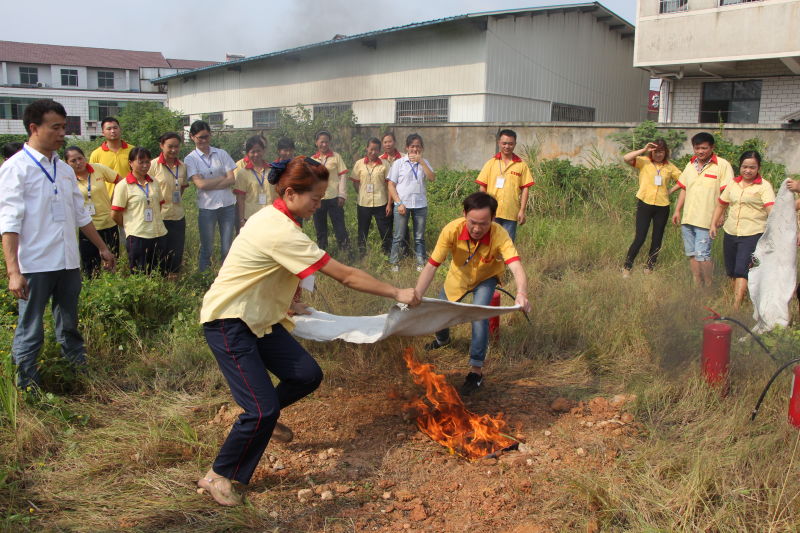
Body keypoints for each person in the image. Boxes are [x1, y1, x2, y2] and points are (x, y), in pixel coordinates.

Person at [197, 156, 419, 506]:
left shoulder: (282, 221)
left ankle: (262, 426)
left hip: (261, 318)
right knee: (260, 410)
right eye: (315, 198)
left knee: (306, 375)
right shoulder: (277, 227)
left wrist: (290, 303)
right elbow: (344, 275)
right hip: (230, 321)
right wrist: (396, 292)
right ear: (290, 192)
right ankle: (219, 475)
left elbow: (269, 272)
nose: (319, 205)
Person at [0, 99, 115, 388]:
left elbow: (79, 214)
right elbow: (9, 223)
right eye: (56, 127)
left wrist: (102, 246)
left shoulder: (64, 169)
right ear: (34, 128)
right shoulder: (16, 169)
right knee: (31, 328)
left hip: (67, 261)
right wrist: (14, 271)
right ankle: (27, 387)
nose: (62, 133)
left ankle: (77, 374)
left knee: (69, 324)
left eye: (64, 127)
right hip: (36, 265)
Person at [415, 192, 530, 395]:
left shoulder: (500, 234)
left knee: (479, 317)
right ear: (464, 214)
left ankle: (476, 371)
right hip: (458, 277)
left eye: (483, 224)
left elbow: (516, 266)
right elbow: (432, 266)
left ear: (493, 219)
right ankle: (442, 340)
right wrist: (416, 295)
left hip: (486, 278)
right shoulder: (451, 230)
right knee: (442, 311)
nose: (477, 229)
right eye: (472, 222)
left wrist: (521, 293)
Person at [710, 151, 775, 309]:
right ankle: (737, 297)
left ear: (758, 168)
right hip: (731, 231)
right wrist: (713, 224)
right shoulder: (733, 183)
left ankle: (736, 305)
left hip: (753, 233)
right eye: (745, 167)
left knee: (742, 268)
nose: (748, 170)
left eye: (752, 167)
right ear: (740, 166)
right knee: (731, 268)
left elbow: (771, 210)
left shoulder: (764, 186)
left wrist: (776, 230)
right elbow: (721, 204)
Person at [671, 132, 734, 286]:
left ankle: (709, 284)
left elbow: (727, 193)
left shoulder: (722, 165)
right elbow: (685, 188)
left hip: (707, 220)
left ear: (712, 147)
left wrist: (721, 215)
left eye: (704, 148)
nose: (700, 151)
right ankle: (697, 283)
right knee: (692, 254)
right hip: (688, 219)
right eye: (697, 148)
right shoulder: (690, 164)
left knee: (703, 255)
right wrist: (677, 210)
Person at [621, 139, 682, 277]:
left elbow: (683, 180)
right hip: (645, 203)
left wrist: (671, 190)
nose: (658, 154)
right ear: (651, 152)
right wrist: (644, 149)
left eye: (661, 151)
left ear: (665, 152)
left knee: (657, 238)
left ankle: (649, 267)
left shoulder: (670, 167)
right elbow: (626, 158)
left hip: (662, 205)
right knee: (640, 237)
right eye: (655, 151)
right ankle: (627, 267)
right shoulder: (644, 161)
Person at [184, 121, 237, 272]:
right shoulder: (190, 159)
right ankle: (204, 279)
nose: (204, 140)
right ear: (192, 137)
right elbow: (200, 185)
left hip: (227, 206)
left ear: (210, 135)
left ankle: (226, 279)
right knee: (207, 248)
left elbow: (232, 179)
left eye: (206, 136)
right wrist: (222, 179)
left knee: (227, 247)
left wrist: (209, 182)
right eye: (200, 137)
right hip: (207, 208)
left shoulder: (221, 153)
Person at [64, 146, 121, 277]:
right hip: (87, 227)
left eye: (80, 158)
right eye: (73, 161)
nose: (78, 162)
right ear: (67, 163)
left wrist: (115, 202)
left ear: (85, 158)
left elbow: (120, 181)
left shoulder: (98, 168)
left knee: (112, 263)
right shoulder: (66, 178)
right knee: (90, 267)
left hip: (109, 223)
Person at [111, 148, 167, 274]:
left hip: (158, 233)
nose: (145, 165)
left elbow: (159, 205)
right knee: (139, 273)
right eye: (140, 162)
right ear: (131, 163)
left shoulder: (154, 182)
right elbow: (115, 214)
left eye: (147, 162)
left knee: (159, 272)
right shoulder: (123, 185)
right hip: (138, 236)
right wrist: (129, 225)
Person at [475, 129, 534, 242]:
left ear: (515, 144)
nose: (507, 146)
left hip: (511, 213)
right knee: (488, 244)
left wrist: (522, 210)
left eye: (510, 144)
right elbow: (482, 187)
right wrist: (483, 207)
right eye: (504, 143)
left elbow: (526, 188)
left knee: (507, 245)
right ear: (499, 143)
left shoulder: (521, 165)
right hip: (491, 213)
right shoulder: (490, 163)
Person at [388, 133, 435, 271]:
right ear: (407, 147)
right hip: (403, 205)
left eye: (418, 146)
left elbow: (432, 178)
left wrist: (421, 162)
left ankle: (420, 263)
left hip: (420, 205)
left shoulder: (424, 162)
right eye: (412, 146)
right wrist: (398, 203)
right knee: (398, 236)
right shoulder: (399, 163)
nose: (415, 149)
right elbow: (391, 184)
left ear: (422, 148)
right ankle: (394, 263)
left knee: (419, 237)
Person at [150, 132, 189, 276]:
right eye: (170, 146)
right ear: (161, 146)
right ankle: (159, 283)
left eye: (176, 146)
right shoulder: (153, 165)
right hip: (160, 217)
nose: (173, 150)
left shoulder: (183, 166)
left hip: (178, 216)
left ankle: (173, 283)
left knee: (176, 253)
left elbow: (182, 188)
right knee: (159, 253)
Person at [351, 137, 392, 257]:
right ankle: (362, 254)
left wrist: (389, 204)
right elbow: (355, 182)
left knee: (385, 231)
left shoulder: (385, 164)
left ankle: (387, 254)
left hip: (381, 203)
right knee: (362, 231)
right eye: (371, 149)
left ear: (379, 150)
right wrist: (362, 194)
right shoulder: (359, 163)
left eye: (376, 150)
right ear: (367, 148)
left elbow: (390, 184)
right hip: (363, 203)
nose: (373, 152)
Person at [310, 130, 350, 254]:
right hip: (318, 199)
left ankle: (346, 252)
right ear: (316, 142)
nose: (324, 144)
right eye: (321, 142)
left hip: (334, 198)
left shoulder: (336, 157)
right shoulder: (312, 159)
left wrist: (342, 194)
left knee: (340, 227)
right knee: (320, 228)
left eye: (326, 142)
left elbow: (342, 176)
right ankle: (322, 253)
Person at [234, 136, 275, 228]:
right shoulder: (242, 173)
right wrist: (241, 220)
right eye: (253, 152)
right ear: (248, 153)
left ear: (263, 151)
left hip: (270, 215)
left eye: (258, 151)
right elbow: (240, 198)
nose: (256, 154)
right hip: (250, 217)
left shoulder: (273, 171)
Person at [89, 117, 133, 197]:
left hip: (129, 196)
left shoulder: (132, 150)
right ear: (103, 132)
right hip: (106, 199)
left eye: (115, 128)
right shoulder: (96, 154)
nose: (113, 131)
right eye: (109, 129)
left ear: (120, 129)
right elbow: (92, 179)